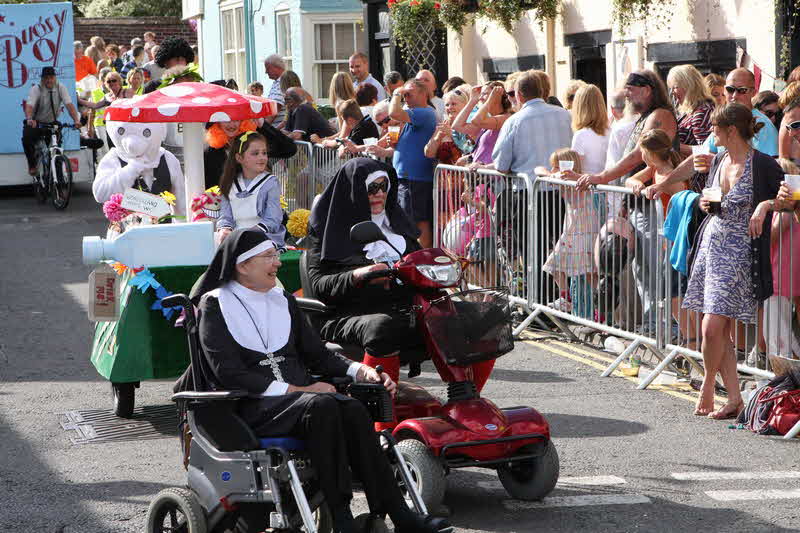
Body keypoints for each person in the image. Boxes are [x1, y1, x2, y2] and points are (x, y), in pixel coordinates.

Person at [187, 227, 448, 533]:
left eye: (276, 255)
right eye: (268, 256)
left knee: (352, 408)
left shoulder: (282, 299)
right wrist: (300, 389)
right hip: (249, 407)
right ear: (243, 265)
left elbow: (317, 355)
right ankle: (342, 517)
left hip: (300, 403)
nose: (278, 263)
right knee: (322, 406)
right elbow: (228, 372)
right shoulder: (215, 304)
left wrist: (360, 370)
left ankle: (399, 513)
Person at [682, 102, 784, 419]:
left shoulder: (763, 164)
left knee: (712, 326)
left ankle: (708, 385)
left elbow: (791, 199)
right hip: (711, 248)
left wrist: (764, 206)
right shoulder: (720, 159)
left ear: (731, 131)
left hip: (740, 255)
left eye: (714, 128)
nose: (711, 132)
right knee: (719, 328)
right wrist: (705, 201)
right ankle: (734, 398)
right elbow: (712, 201)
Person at [576, 70, 678, 335]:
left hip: (655, 204)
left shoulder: (661, 115)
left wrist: (603, 177)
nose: (627, 95)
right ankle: (653, 324)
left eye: (631, 90)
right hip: (639, 203)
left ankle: (664, 326)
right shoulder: (645, 116)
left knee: (655, 268)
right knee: (641, 268)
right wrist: (625, 199)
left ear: (647, 89)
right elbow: (638, 164)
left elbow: (638, 156)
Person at [646, 68, 779, 198]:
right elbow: (696, 159)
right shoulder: (723, 120)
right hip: (720, 200)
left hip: (751, 204)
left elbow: (770, 170)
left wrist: (717, 161)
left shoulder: (763, 126)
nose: (734, 96)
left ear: (754, 92)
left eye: (742, 90)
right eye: (730, 89)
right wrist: (663, 185)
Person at [541, 149, 598, 312]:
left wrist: (560, 175)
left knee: (590, 272)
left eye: (555, 166)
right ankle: (566, 298)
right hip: (574, 229)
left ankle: (598, 308)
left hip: (584, 230)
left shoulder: (580, 179)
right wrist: (551, 174)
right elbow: (538, 169)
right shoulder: (562, 179)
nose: (553, 170)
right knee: (555, 264)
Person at [389, 79, 438, 247]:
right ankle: (414, 255)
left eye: (409, 94)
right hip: (408, 178)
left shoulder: (425, 112)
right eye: (404, 95)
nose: (405, 97)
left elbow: (393, 113)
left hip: (416, 179)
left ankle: (422, 257)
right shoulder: (414, 114)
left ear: (423, 94)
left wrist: (396, 93)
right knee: (410, 221)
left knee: (419, 222)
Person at [215, 131, 286, 247]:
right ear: (239, 158)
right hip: (237, 236)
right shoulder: (229, 183)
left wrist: (250, 233)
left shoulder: (270, 182)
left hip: (264, 236)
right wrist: (224, 229)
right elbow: (226, 216)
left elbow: (273, 219)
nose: (262, 157)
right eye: (255, 153)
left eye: (264, 153)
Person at [203, 118, 296, 190]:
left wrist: (263, 126)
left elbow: (289, 149)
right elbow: (209, 187)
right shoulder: (211, 153)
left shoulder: (254, 145)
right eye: (226, 120)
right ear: (217, 123)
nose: (231, 124)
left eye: (236, 119)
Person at [22, 66, 82, 175]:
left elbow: (69, 105)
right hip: (37, 122)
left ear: (55, 78)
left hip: (52, 122)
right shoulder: (36, 89)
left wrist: (76, 120)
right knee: (27, 138)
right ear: (42, 79)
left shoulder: (60, 87)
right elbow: (29, 106)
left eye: (51, 77)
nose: (49, 80)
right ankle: (32, 165)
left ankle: (59, 178)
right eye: (46, 78)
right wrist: (30, 119)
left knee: (57, 147)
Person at [452, 82, 513, 168]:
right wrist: (472, 101)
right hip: (480, 174)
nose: (480, 98)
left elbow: (476, 120)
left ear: (498, 96)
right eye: (481, 94)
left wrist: (490, 100)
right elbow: (457, 126)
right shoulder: (486, 119)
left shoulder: (506, 117)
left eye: (485, 94)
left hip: (491, 174)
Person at [667, 64, 714, 155]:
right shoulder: (690, 111)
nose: (672, 92)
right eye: (671, 88)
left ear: (689, 86)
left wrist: (673, 146)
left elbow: (706, 151)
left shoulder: (702, 112)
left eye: (675, 87)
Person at [423, 87, 471, 166]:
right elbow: (428, 153)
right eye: (447, 105)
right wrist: (437, 138)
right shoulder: (443, 125)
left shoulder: (470, 124)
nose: (450, 107)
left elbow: (471, 150)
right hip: (444, 173)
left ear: (465, 106)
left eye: (453, 104)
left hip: (464, 172)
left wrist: (451, 134)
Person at [571, 84, 610, 176]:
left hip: (588, 183)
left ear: (579, 107)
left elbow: (576, 169)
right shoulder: (612, 131)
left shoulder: (581, 135)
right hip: (608, 183)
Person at [264, 54, 287, 125]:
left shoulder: (283, 82)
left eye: (268, 68)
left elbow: (274, 110)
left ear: (277, 67)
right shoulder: (277, 82)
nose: (266, 72)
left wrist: (264, 128)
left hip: (279, 129)